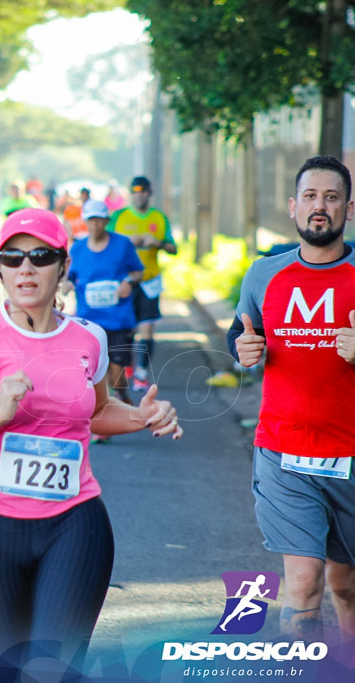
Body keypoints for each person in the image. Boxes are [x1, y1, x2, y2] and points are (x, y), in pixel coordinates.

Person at [0, 208, 182, 679]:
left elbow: (96, 413)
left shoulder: (89, 339)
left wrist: (142, 416)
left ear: (63, 266)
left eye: (40, 256)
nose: (26, 269)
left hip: (75, 524)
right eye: (12, 258)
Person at [229, 155, 355, 642]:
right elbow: (242, 334)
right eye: (309, 197)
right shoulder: (264, 274)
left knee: (345, 585)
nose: (319, 207)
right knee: (302, 583)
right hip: (284, 454)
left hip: (349, 457)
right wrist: (241, 349)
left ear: (349, 207)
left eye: (330, 197)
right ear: (292, 207)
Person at [67, 199, 144, 408]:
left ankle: (121, 395)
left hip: (118, 319)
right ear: (85, 221)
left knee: (117, 372)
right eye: (91, 220)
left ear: (106, 220)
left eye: (99, 220)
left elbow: (138, 271)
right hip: (88, 320)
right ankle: (103, 414)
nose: (95, 225)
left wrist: (128, 282)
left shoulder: (122, 244)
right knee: (92, 371)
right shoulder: (78, 249)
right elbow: (69, 276)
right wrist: (64, 286)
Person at [110, 176, 177, 392]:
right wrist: (129, 242)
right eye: (135, 191)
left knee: (147, 328)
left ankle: (141, 372)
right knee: (127, 329)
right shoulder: (119, 217)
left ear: (149, 193)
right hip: (125, 282)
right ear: (131, 193)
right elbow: (106, 244)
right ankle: (128, 365)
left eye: (143, 191)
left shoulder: (159, 218)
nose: (139, 194)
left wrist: (156, 243)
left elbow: (173, 248)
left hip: (149, 281)